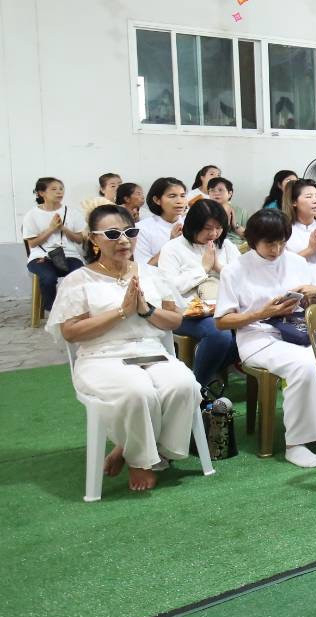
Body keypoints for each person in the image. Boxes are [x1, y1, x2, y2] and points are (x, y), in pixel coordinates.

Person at [47, 204, 202, 493]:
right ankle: (140, 460)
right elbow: (70, 332)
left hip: (150, 350)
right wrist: (121, 312)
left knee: (184, 385)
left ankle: (134, 448)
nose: (123, 240)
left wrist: (144, 309)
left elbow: (174, 320)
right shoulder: (78, 280)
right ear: (93, 240)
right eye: (112, 233)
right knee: (138, 391)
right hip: (101, 356)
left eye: (130, 232)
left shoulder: (152, 274)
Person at [216, 208, 316, 468]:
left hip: (297, 329)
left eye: (281, 243)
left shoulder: (296, 262)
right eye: (269, 244)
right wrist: (264, 312)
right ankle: (296, 443)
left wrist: (314, 295)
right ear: (253, 241)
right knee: (304, 365)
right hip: (257, 336)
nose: (276, 250)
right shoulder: (234, 270)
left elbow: (314, 307)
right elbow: (222, 321)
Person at [158, 198, 240, 390]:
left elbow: (242, 280)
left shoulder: (226, 246)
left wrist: (219, 267)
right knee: (220, 334)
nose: (213, 234)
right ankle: (198, 387)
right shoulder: (172, 248)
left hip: (225, 308)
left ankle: (205, 373)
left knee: (252, 333)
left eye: (219, 228)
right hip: (187, 312)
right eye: (207, 228)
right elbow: (168, 289)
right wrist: (202, 268)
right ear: (193, 225)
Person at [23, 176, 87, 309]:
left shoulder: (72, 212)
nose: (59, 192)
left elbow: (79, 239)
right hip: (41, 257)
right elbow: (33, 244)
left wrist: (63, 228)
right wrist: (51, 229)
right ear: (41, 193)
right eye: (54, 189)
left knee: (79, 275)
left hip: (69, 255)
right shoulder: (32, 215)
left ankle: (76, 309)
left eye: (61, 189)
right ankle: (53, 310)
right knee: (48, 278)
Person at [134, 177, 186, 266]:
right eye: (172, 196)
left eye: (182, 196)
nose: (179, 201)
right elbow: (144, 267)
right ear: (157, 200)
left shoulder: (191, 223)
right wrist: (171, 244)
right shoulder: (142, 228)